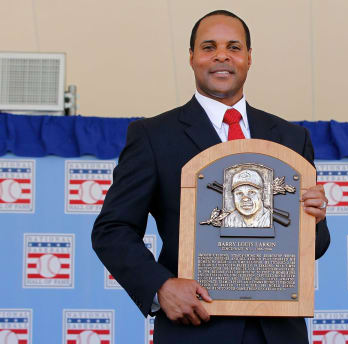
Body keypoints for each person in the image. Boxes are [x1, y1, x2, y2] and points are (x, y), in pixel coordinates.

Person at [92, 9, 330, 344]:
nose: (222, 55)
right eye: (208, 47)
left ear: (248, 58)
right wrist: (160, 286)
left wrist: (315, 220)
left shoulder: (291, 139)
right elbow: (112, 229)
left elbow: (315, 247)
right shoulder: (152, 135)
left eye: (234, 47)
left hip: (278, 333)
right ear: (191, 57)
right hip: (195, 330)